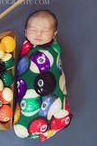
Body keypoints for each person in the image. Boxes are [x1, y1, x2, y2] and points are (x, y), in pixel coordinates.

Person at [13, 10, 72, 141]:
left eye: (45, 31)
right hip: (29, 84)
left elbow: (57, 70)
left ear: (54, 34)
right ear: (25, 32)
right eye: (33, 30)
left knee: (54, 97)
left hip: (51, 83)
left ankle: (54, 121)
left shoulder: (53, 49)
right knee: (28, 100)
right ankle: (28, 125)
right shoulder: (27, 47)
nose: (38, 34)